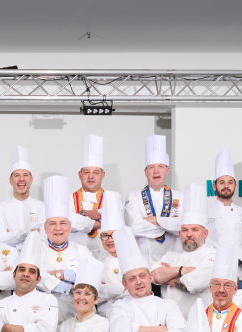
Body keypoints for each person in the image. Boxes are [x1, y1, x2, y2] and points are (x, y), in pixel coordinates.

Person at [106, 232, 187, 332]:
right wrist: (161, 329)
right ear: (124, 284)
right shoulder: (120, 306)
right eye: (132, 278)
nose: (138, 282)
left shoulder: (168, 305)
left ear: (150, 278)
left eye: (142, 276)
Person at [26, 175, 94, 316]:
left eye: (63, 223)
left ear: (69, 227)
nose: (58, 228)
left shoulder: (82, 251)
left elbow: (90, 276)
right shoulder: (35, 250)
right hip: (41, 312)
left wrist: (60, 273)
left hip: (76, 313)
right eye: (52, 224)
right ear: (45, 228)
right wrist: (68, 286)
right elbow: (35, 277)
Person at [151, 184, 215, 317]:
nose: (189, 234)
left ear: (206, 234)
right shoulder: (170, 255)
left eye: (195, 230)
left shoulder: (212, 256)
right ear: (179, 234)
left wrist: (166, 275)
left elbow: (189, 285)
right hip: (167, 321)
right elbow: (154, 276)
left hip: (198, 321)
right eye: (185, 230)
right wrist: (182, 270)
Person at [129, 134, 181, 263]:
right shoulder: (134, 197)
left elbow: (182, 227)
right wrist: (169, 224)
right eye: (151, 167)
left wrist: (155, 220)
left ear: (167, 170)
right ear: (146, 172)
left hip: (171, 263)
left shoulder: (179, 197)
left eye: (160, 167)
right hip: (143, 262)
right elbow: (135, 227)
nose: (156, 171)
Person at [208, 149, 242, 284]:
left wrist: (233, 260)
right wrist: (221, 262)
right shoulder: (205, 213)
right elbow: (205, 245)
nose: (226, 186)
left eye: (230, 182)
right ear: (214, 186)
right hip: (214, 274)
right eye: (222, 182)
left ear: (235, 186)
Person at [71, 134, 119, 246]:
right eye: (86, 172)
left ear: (103, 175)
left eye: (95, 172)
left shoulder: (113, 197)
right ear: (80, 175)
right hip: (76, 253)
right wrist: (101, 222)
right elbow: (68, 223)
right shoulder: (68, 199)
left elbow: (115, 218)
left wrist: (82, 215)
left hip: (105, 253)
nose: (91, 177)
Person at [0, 148, 43, 244]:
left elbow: (45, 237)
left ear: (31, 180)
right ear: (10, 180)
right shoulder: (0, 208)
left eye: (25, 175)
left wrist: (11, 235)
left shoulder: (41, 207)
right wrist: (31, 233)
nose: (21, 179)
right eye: (16, 175)